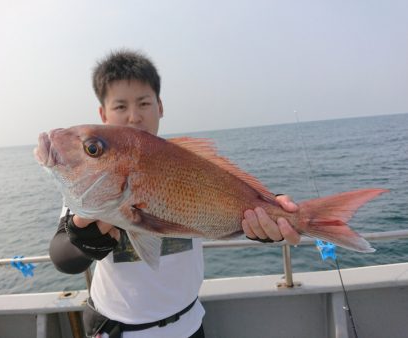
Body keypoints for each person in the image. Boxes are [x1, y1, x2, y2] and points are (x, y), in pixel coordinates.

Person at [49, 49, 300, 338]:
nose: (134, 116)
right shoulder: (93, 177)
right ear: (103, 114)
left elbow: (232, 197)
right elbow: (63, 256)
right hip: (120, 330)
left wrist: (269, 214)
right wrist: (84, 240)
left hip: (190, 324)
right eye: (120, 106)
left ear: (160, 106)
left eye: (144, 102)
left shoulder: (189, 163)